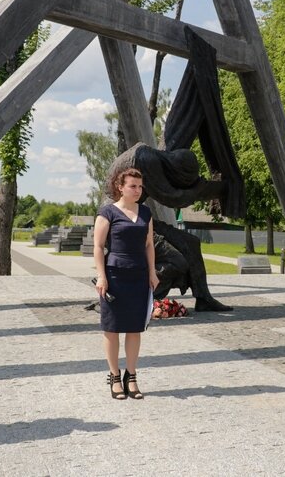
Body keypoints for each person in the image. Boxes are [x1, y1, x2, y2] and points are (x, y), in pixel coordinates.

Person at [93, 168, 159, 400]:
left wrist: (152, 272)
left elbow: (149, 245)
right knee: (111, 328)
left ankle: (131, 377)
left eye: (140, 186)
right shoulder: (108, 212)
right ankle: (114, 376)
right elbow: (98, 246)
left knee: (134, 328)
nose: (137, 190)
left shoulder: (146, 213)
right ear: (120, 187)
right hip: (114, 276)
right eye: (133, 186)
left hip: (138, 276)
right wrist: (101, 276)